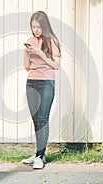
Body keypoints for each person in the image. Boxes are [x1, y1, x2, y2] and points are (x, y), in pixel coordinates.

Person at [22, 11, 61, 169]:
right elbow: (27, 67)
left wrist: (41, 54)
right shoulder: (30, 41)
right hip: (31, 82)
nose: (35, 30)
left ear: (44, 26)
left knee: (43, 119)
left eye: (38, 27)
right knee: (35, 119)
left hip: (46, 84)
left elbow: (56, 65)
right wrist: (26, 53)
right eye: (33, 27)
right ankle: (40, 154)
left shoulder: (52, 41)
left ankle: (39, 156)